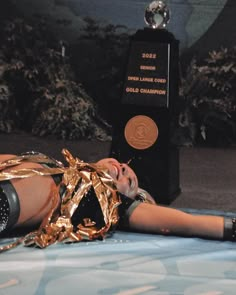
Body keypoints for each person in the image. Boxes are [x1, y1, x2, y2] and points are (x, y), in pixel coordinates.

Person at [0, 150, 235, 248]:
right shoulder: (56, 165)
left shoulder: (106, 202)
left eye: (129, 181)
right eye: (124, 165)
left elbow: (187, 222)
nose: (122, 168)